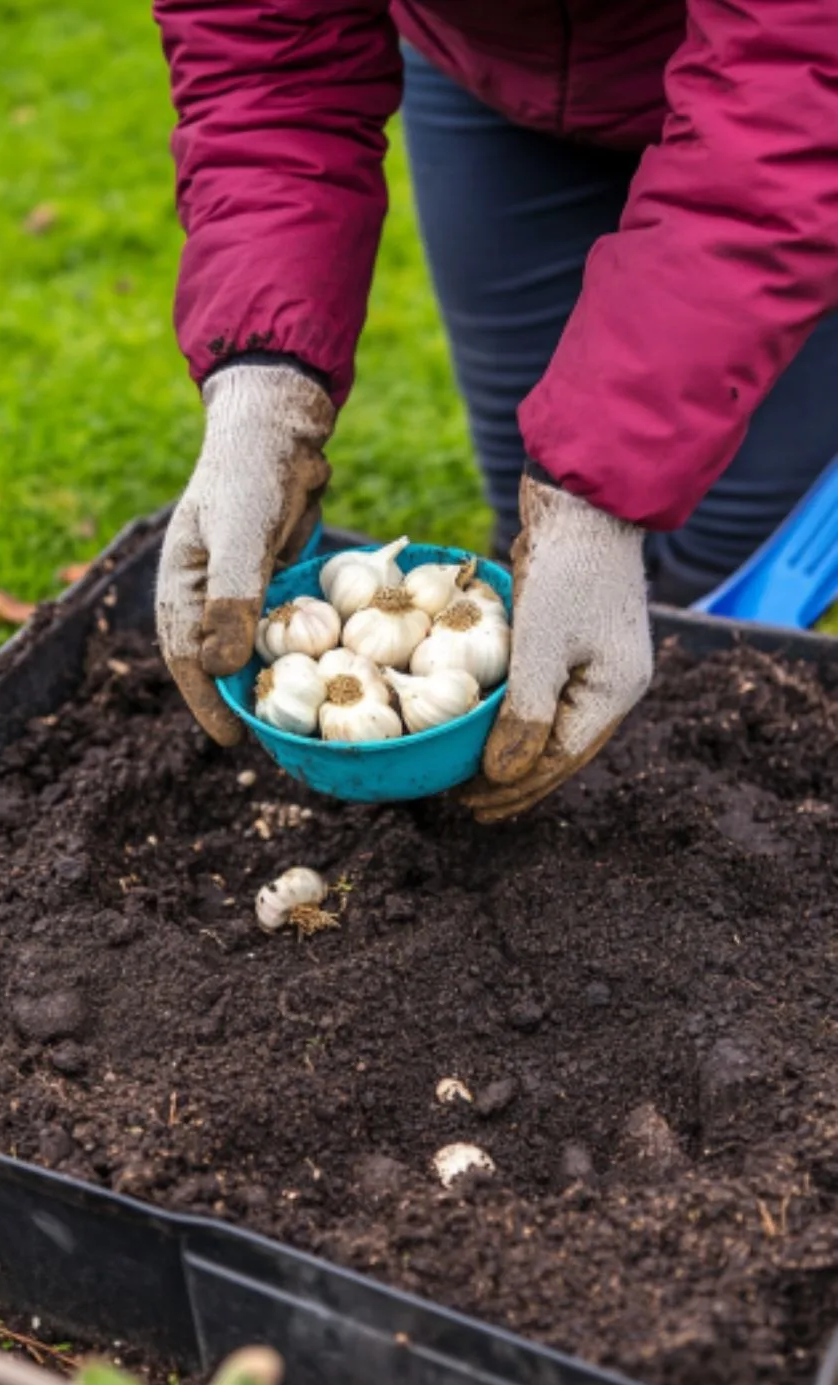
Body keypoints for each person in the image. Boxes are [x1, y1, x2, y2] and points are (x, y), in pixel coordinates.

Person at [151, 1, 838, 820]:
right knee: (526, 513)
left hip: (791, 116)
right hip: (493, 74)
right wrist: (260, 382)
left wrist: (603, 492)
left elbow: (791, 91)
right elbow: (265, 48)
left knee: (721, 560)